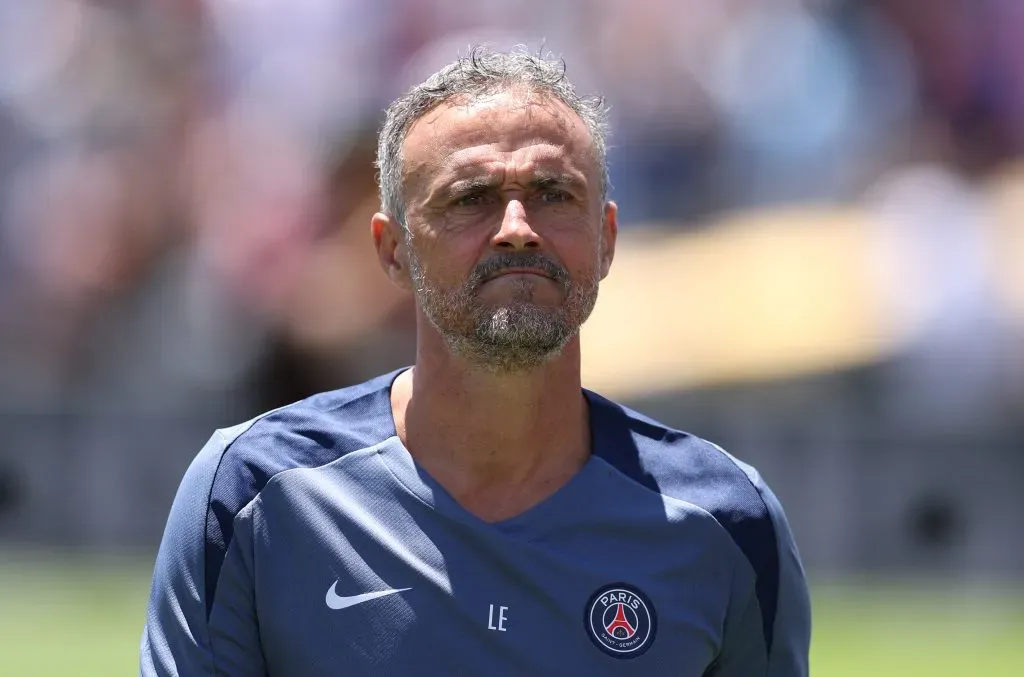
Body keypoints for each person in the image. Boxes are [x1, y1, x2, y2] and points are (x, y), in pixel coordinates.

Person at [140, 46, 811, 676]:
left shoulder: (724, 522)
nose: (518, 226)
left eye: (554, 193)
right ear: (392, 249)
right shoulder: (252, 495)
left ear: (606, 240)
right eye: (470, 198)